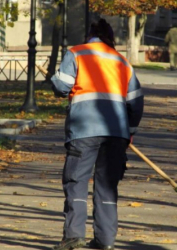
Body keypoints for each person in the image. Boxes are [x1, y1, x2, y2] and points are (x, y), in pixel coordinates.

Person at [50, 19, 144, 250]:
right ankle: (105, 241)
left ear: (89, 35)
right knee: (108, 185)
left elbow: (62, 87)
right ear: (109, 38)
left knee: (76, 182)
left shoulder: (76, 53)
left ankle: (73, 237)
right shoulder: (123, 62)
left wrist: (54, 79)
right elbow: (136, 102)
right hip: (116, 133)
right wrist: (129, 132)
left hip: (84, 130)